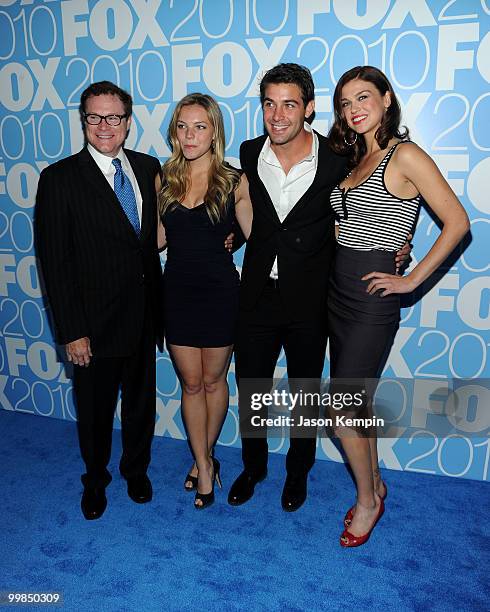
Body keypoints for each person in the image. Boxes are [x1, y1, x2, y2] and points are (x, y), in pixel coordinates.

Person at [327, 65, 470, 547]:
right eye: (346, 104)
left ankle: (369, 501)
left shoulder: (403, 154)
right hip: (336, 294)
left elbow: (457, 222)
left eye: (364, 98)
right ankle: (375, 484)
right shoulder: (353, 161)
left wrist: (409, 279)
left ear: (387, 99)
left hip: (371, 299)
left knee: (340, 409)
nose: (354, 110)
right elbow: (354, 227)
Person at [35, 81, 164, 520]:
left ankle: (136, 470)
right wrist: (72, 331)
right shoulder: (59, 179)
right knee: (94, 412)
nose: (104, 126)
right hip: (92, 324)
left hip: (145, 316)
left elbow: (151, 239)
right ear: (83, 121)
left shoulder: (149, 168)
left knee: (141, 404)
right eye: (94, 117)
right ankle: (95, 479)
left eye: (114, 117)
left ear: (128, 122)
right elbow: (55, 263)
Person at [157, 94, 252, 509]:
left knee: (214, 382)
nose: (190, 135)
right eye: (182, 126)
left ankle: (205, 461)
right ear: (174, 132)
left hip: (220, 294)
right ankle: (204, 463)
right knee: (191, 384)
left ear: (215, 131)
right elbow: (156, 239)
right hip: (176, 292)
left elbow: (262, 233)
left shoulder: (235, 179)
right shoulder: (164, 178)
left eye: (199, 126)